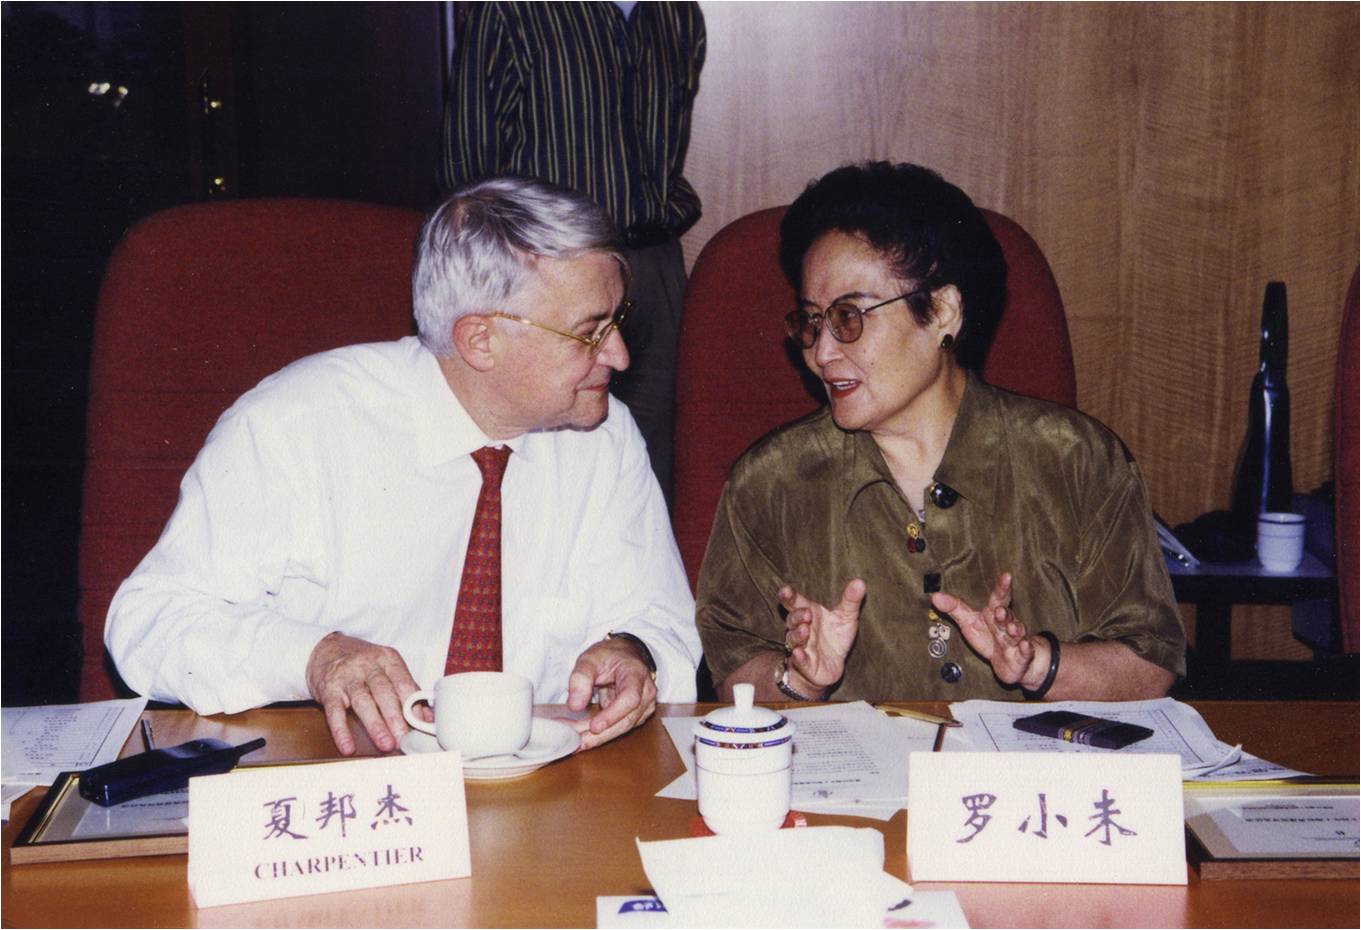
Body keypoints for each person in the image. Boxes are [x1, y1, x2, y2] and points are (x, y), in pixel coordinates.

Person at [105, 176, 701, 755]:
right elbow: (147, 623)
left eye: (617, 321)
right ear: (479, 340)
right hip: (341, 778)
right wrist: (312, 657)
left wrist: (634, 651)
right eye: (590, 333)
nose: (619, 355)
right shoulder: (296, 426)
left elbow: (660, 616)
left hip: (542, 784)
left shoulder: (604, 438)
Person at [696, 162, 1185, 704]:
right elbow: (732, 664)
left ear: (942, 312)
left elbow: (1151, 660)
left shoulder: (1077, 460)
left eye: (849, 317)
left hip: (1026, 762)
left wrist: (1037, 664)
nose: (822, 352)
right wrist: (800, 678)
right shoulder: (770, 482)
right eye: (812, 322)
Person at [439, 1, 706, 505]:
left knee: (651, 464)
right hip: (551, 275)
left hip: (652, 262)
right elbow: (467, 171)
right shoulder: (511, 9)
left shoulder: (675, 12)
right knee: (542, 456)